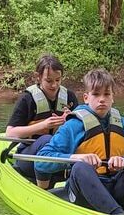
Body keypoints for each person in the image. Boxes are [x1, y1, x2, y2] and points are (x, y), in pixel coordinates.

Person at [35, 68, 124, 215]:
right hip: (84, 193)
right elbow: (41, 161)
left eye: (107, 94)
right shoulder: (73, 126)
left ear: (113, 97)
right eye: (96, 94)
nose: (102, 99)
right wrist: (76, 158)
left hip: (116, 187)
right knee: (80, 168)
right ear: (86, 98)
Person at [5, 53, 79, 187]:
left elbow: (81, 131)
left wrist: (71, 121)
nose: (54, 85)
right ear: (38, 77)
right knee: (46, 140)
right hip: (30, 158)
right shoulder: (27, 99)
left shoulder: (69, 97)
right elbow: (10, 133)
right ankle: (42, 189)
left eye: (58, 80)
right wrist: (43, 125)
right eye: (49, 81)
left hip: (60, 156)